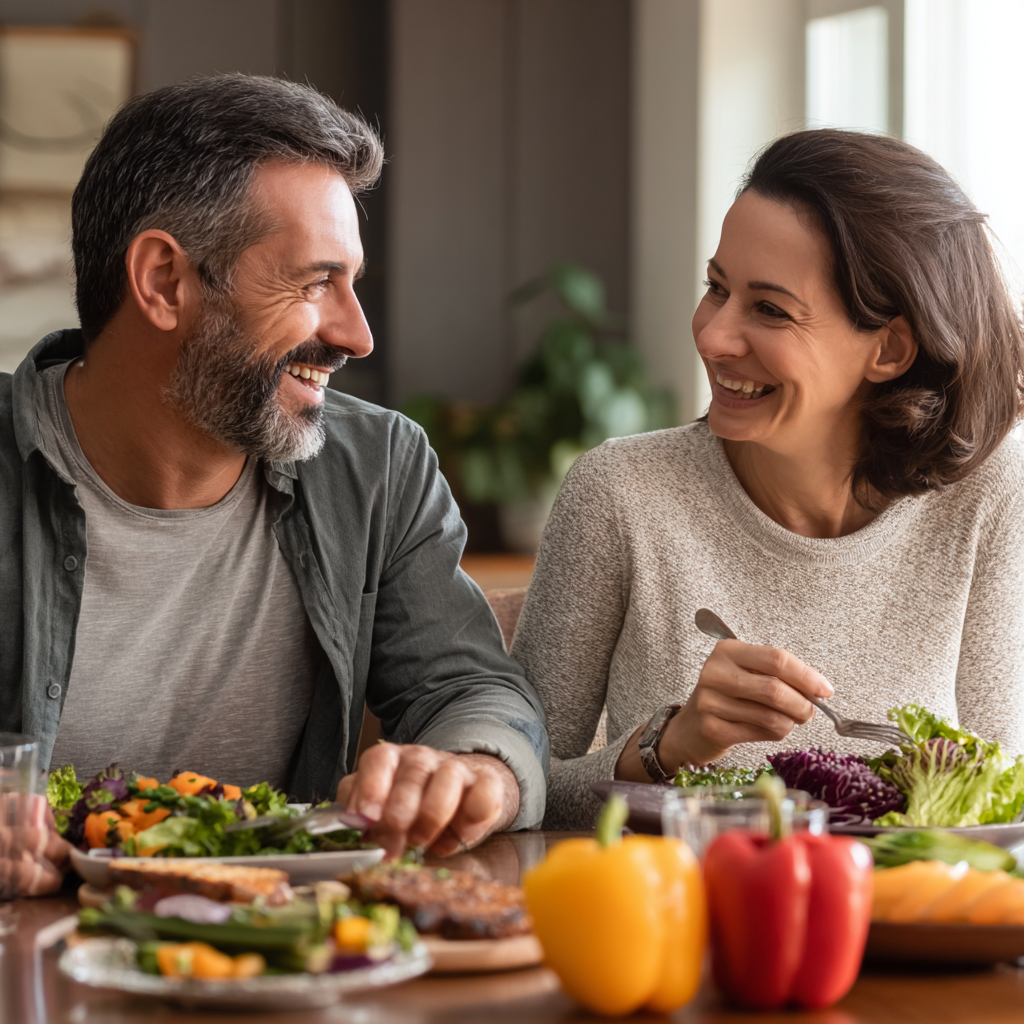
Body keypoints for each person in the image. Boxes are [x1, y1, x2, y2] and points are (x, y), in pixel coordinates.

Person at [0, 75, 549, 890]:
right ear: (163, 281)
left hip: (274, 960)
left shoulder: (380, 469)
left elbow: (468, 686)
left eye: (352, 282)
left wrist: (477, 768)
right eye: (313, 282)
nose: (356, 334)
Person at [512, 129, 1024, 830]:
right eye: (716, 287)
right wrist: (669, 746)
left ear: (890, 348)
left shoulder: (992, 495)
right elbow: (514, 787)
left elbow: (1007, 798)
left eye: (770, 309)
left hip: (913, 923)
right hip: (681, 924)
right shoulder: (620, 494)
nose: (715, 335)